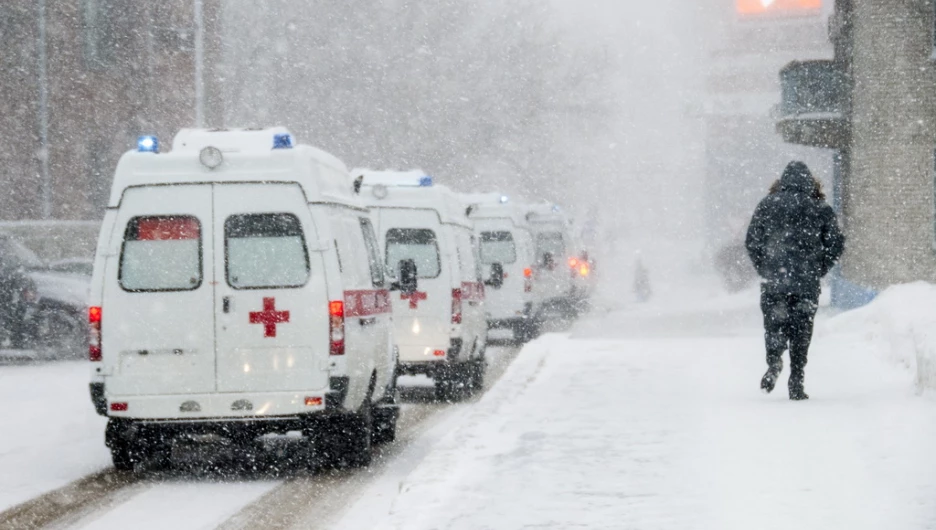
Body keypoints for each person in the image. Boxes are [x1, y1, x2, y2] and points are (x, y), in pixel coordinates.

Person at [745, 161, 845, 400]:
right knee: (801, 329)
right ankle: (797, 378)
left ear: (781, 182)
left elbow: (752, 241)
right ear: (811, 183)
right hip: (806, 284)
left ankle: (774, 361)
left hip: (775, 281)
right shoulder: (820, 208)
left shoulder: (768, 205)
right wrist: (819, 268)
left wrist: (766, 266)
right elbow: (836, 244)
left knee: (774, 325)